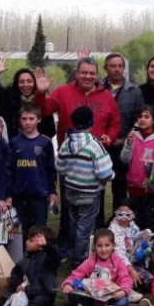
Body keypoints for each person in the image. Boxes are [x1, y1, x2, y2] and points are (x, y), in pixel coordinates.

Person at [55, 106, 115, 262]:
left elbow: (60, 166)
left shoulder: (67, 143)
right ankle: (80, 259)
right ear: (92, 122)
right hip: (90, 194)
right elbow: (104, 172)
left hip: (71, 192)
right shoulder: (94, 145)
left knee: (74, 224)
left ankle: (73, 252)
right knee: (85, 228)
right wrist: (111, 175)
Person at [102, 53, 146, 223]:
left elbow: (139, 119)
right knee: (98, 188)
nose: (117, 69)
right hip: (100, 146)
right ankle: (98, 221)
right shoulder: (97, 88)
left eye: (120, 66)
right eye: (112, 66)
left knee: (119, 186)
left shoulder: (134, 91)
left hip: (122, 146)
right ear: (106, 68)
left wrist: (125, 139)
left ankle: (118, 218)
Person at [9, 104, 58, 236]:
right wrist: (9, 193)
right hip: (19, 194)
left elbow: (50, 170)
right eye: (24, 119)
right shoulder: (14, 142)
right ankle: (22, 254)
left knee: (39, 228)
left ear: (39, 119)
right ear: (20, 120)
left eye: (31, 118)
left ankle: (39, 254)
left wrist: (52, 192)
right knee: (19, 227)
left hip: (39, 194)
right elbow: (10, 169)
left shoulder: (45, 143)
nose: (28, 122)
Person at [62, 228, 137, 306]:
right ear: (94, 247)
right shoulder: (90, 261)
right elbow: (77, 274)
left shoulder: (118, 261)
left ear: (113, 245)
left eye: (107, 245)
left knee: (124, 301)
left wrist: (123, 291)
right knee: (72, 293)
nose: (103, 249)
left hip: (111, 298)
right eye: (99, 246)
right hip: (93, 298)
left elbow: (126, 278)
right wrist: (67, 284)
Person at [120, 106, 154, 231]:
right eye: (140, 117)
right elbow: (124, 159)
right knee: (136, 224)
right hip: (134, 188)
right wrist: (128, 145)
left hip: (153, 190)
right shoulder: (132, 137)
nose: (142, 119)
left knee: (152, 223)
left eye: (147, 117)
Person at [9, 225, 59, 306]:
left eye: (31, 241)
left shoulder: (47, 258)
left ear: (40, 245)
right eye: (28, 239)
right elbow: (15, 274)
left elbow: (55, 259)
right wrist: (17, 285)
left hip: (43, 294)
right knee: (7, 298)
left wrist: (46, 247)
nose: (27, 242)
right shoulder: (25, 259)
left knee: (40, 301)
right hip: (26, 292)